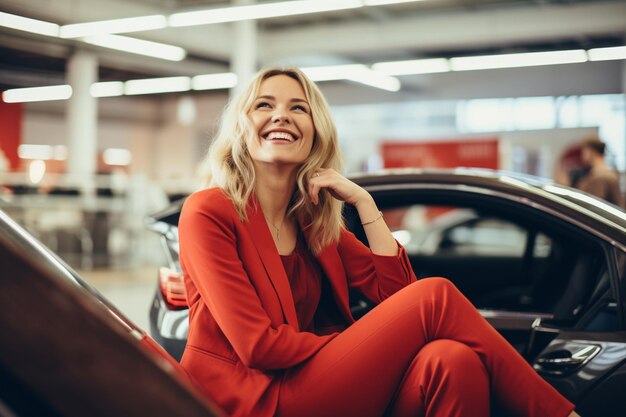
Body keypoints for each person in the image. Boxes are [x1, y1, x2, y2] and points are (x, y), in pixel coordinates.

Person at [178, 67, 579, 417]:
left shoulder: (313, 224)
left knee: (451, 360)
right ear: (240, 126)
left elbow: (396, 293)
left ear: (316, 130)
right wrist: (355, 348)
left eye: (298, 107)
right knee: (436, 294)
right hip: (256, 400)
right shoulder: (208, 212)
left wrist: (364, 204)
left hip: (313, 388)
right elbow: (258, 347)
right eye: (264, 105)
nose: (281, 114)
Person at [573, 136, 623, 207]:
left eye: (584, 151)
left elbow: (593, 207)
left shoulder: (599, 176)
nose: (582, 156)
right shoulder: (609, 172)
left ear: (591, 152)